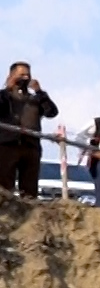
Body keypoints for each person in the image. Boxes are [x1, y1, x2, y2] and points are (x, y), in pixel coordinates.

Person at [1, 62, 57, 198]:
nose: (25, 78)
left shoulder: (35, 99)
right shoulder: (5, 96)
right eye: (21, 75)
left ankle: (29, 213)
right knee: (4, 185)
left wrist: (40, 92)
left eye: (27, 75)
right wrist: (8, 88)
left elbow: (52, 112)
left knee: (29, 188)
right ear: (12, 76)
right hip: (8, 145)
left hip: (31, 146)